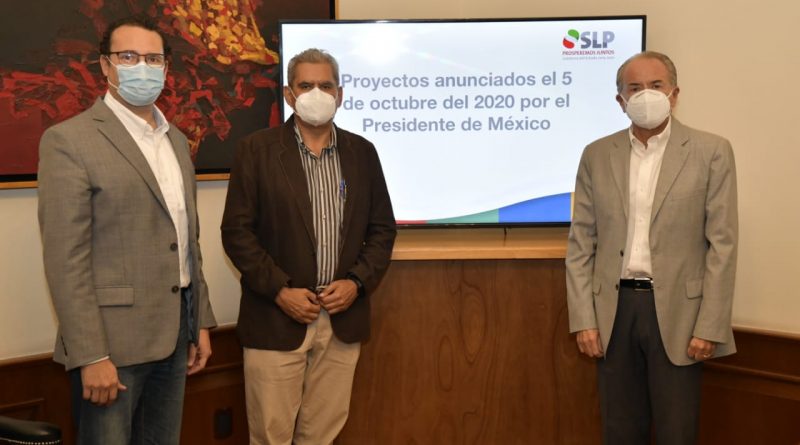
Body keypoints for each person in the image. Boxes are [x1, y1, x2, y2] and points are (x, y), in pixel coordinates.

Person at [37, 15, 216, 444]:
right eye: (129, 57)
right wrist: (90, 355)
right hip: (111, 348)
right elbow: (66, 260)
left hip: (175, 336)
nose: (142, 68)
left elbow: (186, 240)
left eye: (153, 59)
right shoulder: (69, 140)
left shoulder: (176, 140)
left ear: (166, 68)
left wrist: (200, 321)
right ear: (106, 65)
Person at [221, 48, 396, 445]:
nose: (317, 93)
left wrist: (356, 283)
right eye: (306, 85)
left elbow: (382, 230)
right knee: (271, 437)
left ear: (340, 94)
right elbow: (237, 232)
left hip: (341, 320)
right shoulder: (256, 150)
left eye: (326, 85)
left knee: (321, 437)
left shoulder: (362, 152)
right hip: (275, 318)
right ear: (289, 94)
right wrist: (280, 291)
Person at [565, 51, 738, 444]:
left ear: (674, 94)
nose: (646, 95)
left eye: (656, 85)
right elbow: (580, 244)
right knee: (620, 430)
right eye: (635, 88)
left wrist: (710, 325)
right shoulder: (596, 154)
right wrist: (584, 320)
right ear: (620, 100)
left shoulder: (711, 151)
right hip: (614, 310)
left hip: (681, 314)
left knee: (677, 431)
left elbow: (723, 246)